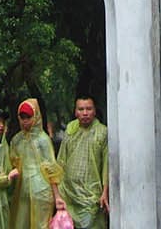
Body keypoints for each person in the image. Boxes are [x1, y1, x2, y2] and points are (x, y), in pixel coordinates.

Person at [7, 97, 61, 229]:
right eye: (22, 117)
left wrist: (57, 196)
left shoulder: (43, 140)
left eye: (28, 117)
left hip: (42, 192)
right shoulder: (16, 140)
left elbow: (51, 168)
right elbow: (11, 164)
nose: (25, 121)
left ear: (36, 116)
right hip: (22, 193)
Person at [57, 95, 109, 229]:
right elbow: (61, 162)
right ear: (75, 112)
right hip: (69, 195)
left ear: (95, 111)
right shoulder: (70, 131)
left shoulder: (102, 132)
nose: (85, 113)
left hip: (91, 198)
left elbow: (106, 166)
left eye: (88, 109)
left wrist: (105, 191)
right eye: (81, 109)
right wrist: (57, 193)